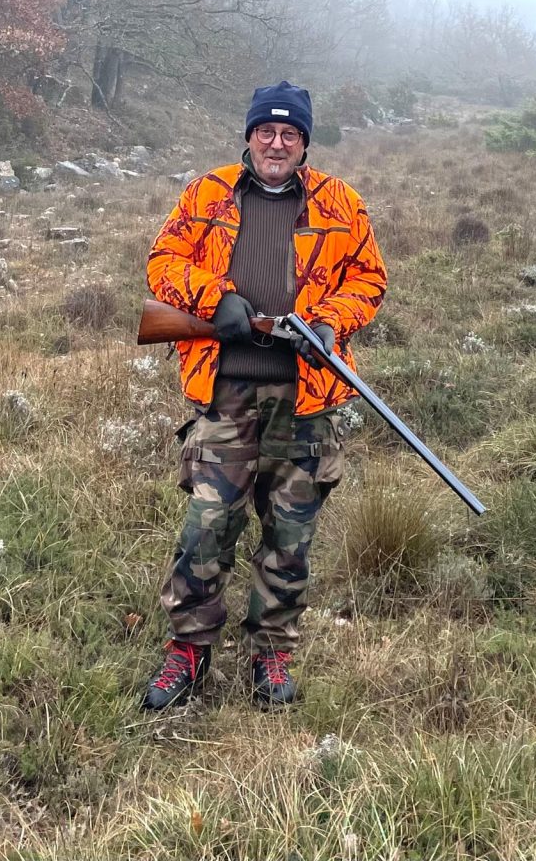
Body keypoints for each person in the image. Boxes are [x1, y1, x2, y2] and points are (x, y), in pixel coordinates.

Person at [143, 80, 387, 710]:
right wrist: (215, 299)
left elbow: (368, 278)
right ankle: (189, 650)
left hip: (305, 397)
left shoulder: (340, 201)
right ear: (249, 136)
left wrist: (329, 322)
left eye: (290, 134)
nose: (277, 144)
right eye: (266, 132)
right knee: (207, 525)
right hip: (226, 390)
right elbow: (163, 261)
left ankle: (271, 653)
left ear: (305, 143)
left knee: (289, 533)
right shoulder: (207, 193)